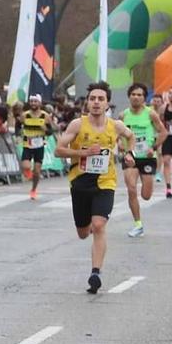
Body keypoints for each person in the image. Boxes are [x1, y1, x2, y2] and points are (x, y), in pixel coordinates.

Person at [56, 83, 131, 294]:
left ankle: (95, 273)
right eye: (93, 99)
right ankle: (88, 224)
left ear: (107, 103)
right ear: (87, 102)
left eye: (101, 99)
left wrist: (129, 154)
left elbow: (130, 137)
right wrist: (84, 153)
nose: (96, 102)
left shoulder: (115, 126)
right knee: (82, 233)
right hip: (80, 183)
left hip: (105, 182)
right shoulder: (77, 125)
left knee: (99, 225)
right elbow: (59, 151)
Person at [118, 83, 164, 238]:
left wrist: (154, 147)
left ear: (144, 98)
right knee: (131, 188)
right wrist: (119, 144)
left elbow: (163, 132)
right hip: (130, 156)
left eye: (139, 95)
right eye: (133, 94)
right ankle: (138, 224)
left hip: (147, 158)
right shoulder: (123, 115)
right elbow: (117, 136)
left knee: (146, 195)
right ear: (129, 96)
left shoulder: (151, 114)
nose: (136, 97)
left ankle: (139, 220)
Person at [18, 96, 53, 196]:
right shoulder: (25, 115)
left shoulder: (45, 116)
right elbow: (18, 125)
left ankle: (33, 189)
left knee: (37, 172)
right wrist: (18, 133)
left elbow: (50, 132)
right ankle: (28, 174)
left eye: (35, 101)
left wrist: (45, 129)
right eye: (31, 101)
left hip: (39, 146)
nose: (33, 103)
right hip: (27, 144)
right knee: (25, 166)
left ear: (40, 103)